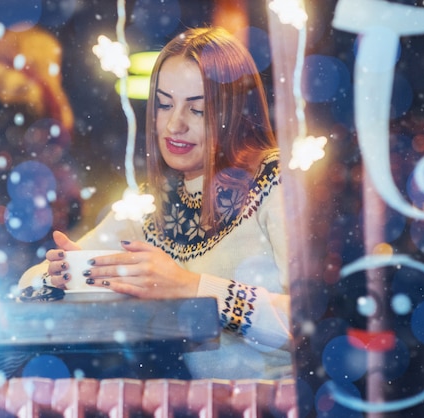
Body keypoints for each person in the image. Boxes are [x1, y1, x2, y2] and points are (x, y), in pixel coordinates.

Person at [34, 26, 292, 380]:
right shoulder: (155, 202)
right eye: (164, 104)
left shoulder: (279, 180)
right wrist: (65, 277)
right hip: (201, 404)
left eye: (198, 110)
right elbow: (30, 283)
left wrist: (190, 287)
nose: (174, 124)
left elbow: (315, 323)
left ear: (236, 112)